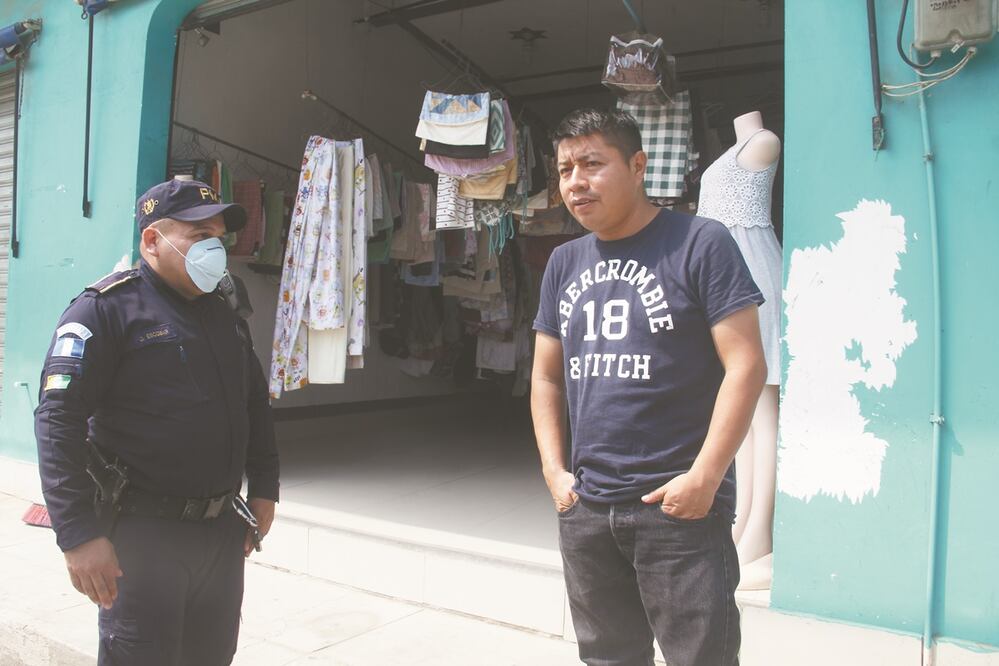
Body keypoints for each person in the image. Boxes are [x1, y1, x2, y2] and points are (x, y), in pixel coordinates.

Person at [531, 109, 767, 666]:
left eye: (592, 164)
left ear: (638, 165)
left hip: (679, 510)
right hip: (587, 507)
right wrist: (554, 471)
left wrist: (705, 478)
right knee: (608, 658)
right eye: (565, 169)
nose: (575, 182)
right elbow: (545, 375)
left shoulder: (700, 242)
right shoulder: (563, 262)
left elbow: (747, 365)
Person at [34, 178, 280, 665]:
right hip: (143, 537)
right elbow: (57, 420)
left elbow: (253, 402)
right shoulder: (105, 310)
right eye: (200, 236)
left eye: (219, 237)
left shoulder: (225, 312)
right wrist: (78, 533)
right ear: (152, 241)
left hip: (221, 533)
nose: (215, 249)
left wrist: (265, 487)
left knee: (211, 656)